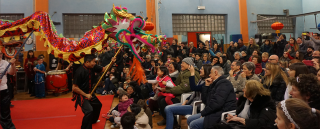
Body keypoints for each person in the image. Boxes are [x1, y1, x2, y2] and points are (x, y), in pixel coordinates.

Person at [72, 54, 113, 129]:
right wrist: (86, 95)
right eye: (93, 61)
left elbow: (104, 69)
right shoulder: (79, 71)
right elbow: (74, 88)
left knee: (98, 105)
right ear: (87, 62)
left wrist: (111, 62)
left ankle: (93, 120)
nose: (95, 63)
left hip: (90, 92)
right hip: (81, 94)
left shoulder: (93, 67)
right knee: (89, 111)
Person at [164, 64, 211, 129]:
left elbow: (193, 88)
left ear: (206, 71)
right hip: (190, 103)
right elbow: (194, 93)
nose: (200, 70)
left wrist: (192, 73)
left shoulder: (207, 82)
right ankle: (174, 125)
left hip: (195, 106)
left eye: (202, 69)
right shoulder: (201, 80)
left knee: (169, 109)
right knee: (167, 107)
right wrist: (186, 100)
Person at [156, 57, 200, 126]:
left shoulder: (189, 74)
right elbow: (176, 84)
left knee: (163, 101)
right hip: (179, 93)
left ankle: (174, 124)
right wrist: (166, 87)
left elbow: (184, 88)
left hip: (184, 95)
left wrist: (168, 90)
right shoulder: (183, 72)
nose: (181, 65)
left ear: (189, 65)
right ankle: (167, 119)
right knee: (160, 98)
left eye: (183, 63)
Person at [0, 51, 16, 129]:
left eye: (0, 53)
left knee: (5, 113)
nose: (0, 55)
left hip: (3, 91)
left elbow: (12, 73)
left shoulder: (5, 63)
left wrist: (13, 65)